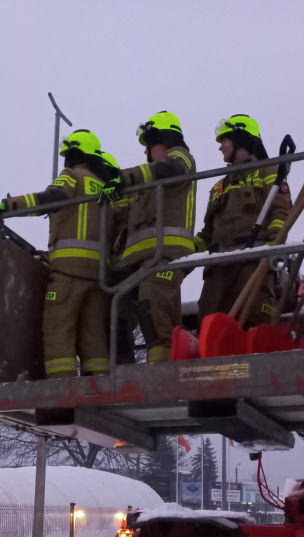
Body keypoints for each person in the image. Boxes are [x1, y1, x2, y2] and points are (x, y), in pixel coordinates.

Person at [0, 129, 117, 379]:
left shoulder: (72, 176)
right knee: (93, 332)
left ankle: (61, 387)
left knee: (58, 327)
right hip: (99, 275)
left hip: (68, 270)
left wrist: (6, 207)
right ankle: (99, 383)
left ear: (75, 153)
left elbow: (50, 198)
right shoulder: (104, 188)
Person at [108, 111, 197, 363]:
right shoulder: (149, 177)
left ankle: (163, 369)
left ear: (164, 139)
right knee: (120, 308)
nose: (146, 152)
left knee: (154, 310)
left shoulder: (180, 158)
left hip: (165, 252)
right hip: (141, 257)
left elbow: (170, 170)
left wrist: (123, 178)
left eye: (149, 144)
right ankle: (123, 367)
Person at [196, 114, 291, 327]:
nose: (220, 147)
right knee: (209, 324)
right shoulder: (219, 186)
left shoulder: (269, 172)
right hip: (217, 269)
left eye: (224, 140)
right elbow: (207, 234)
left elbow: (281, 212)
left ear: (241, 139)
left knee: (253, 320)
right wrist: (181, 254)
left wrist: (272, 248)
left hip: (253, 263)